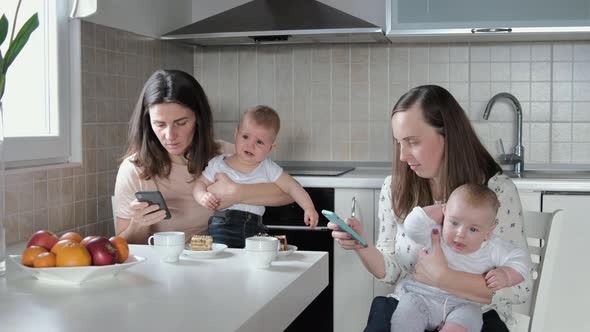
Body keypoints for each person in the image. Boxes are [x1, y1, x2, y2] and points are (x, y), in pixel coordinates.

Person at [328, 85, 533, 332]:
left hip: (474, 313)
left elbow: (521, 288)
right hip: (413, 305)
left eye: (412, 142)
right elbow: (392, 271)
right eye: (399, 143)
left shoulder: (495, 192)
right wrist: (363, 246)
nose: (402, 156)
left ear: (449, 136)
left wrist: (444, 278)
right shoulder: (395, 186)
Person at [114, 70, 292, 244]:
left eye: (181, 123)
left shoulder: (227, 156)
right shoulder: (134, 169)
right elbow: (122, 247)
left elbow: (289, 192)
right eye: (159, 124)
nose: (170, 135)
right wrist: (138, 223)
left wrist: (238, 193)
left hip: (222, 264)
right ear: (147, 123)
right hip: (164, 268)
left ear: (199, 119)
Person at [391, 183, 530, 332]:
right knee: (406, 315)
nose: (460, 234)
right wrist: (444, 209)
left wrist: (506, 275)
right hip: (421, 297)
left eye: (473, 229)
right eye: (455, 222)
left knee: (470, 317)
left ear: (489, 231)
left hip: (463, 304)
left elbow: (521, 261)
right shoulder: (435, 233)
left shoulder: (493, 247)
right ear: (445, 214)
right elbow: (412, 224)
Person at [193, 105, 319, 248]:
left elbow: (292, 186)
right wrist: (202, 196)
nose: (250, 145)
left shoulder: (268, 167)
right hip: (222, 226)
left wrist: (309, 208)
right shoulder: (219, 163)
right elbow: (200, 184)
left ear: (270, 147)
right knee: (223, 263)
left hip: (255, 228)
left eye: (259, 142)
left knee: (257, 265)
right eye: (245, 137)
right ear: (236, 134)